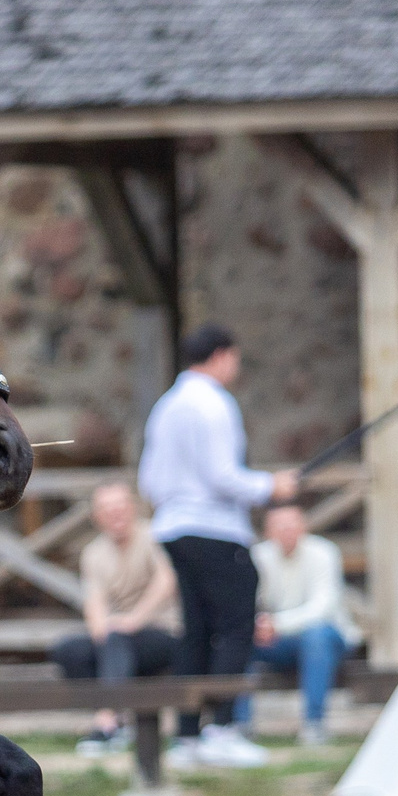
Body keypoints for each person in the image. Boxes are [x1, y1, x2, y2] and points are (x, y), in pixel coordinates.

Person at [136, 324, 297, 771]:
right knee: (234, 626)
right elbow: (223, 476)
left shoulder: (166, 406)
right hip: (215, 527)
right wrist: (271, 485)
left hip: (174, 527)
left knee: (197, 631)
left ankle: (188, 733)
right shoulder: (213, 403)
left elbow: (149, 479)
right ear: (223, 356)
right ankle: (222, 728)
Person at [49, 480, 177, 757]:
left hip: (163, 632)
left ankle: (106, 722)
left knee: (117, 636)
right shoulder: (93, 553)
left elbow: (166, 582)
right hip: (118, 640)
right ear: (96, 516)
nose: (115, 513)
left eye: (120, 506)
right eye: (107, 509)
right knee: (68, 650)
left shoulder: (155, 535)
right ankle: (117, 720)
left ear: (133, 508)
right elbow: (94, 601)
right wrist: (101, 632)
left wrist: (133, 620)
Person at [242, 503, 357, 744]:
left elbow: (322, 609)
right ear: (268, 531)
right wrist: (259, 624)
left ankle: (314, 724)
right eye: (280, 526)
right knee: (239, 640)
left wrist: (276, 625)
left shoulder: (324, 552)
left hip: (328, 638)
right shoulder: (258, 556)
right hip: (279, 642)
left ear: (303, 527)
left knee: (316, 635)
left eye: (292, 525)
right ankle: (240, 725)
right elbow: (249, 603)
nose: (287, 531)